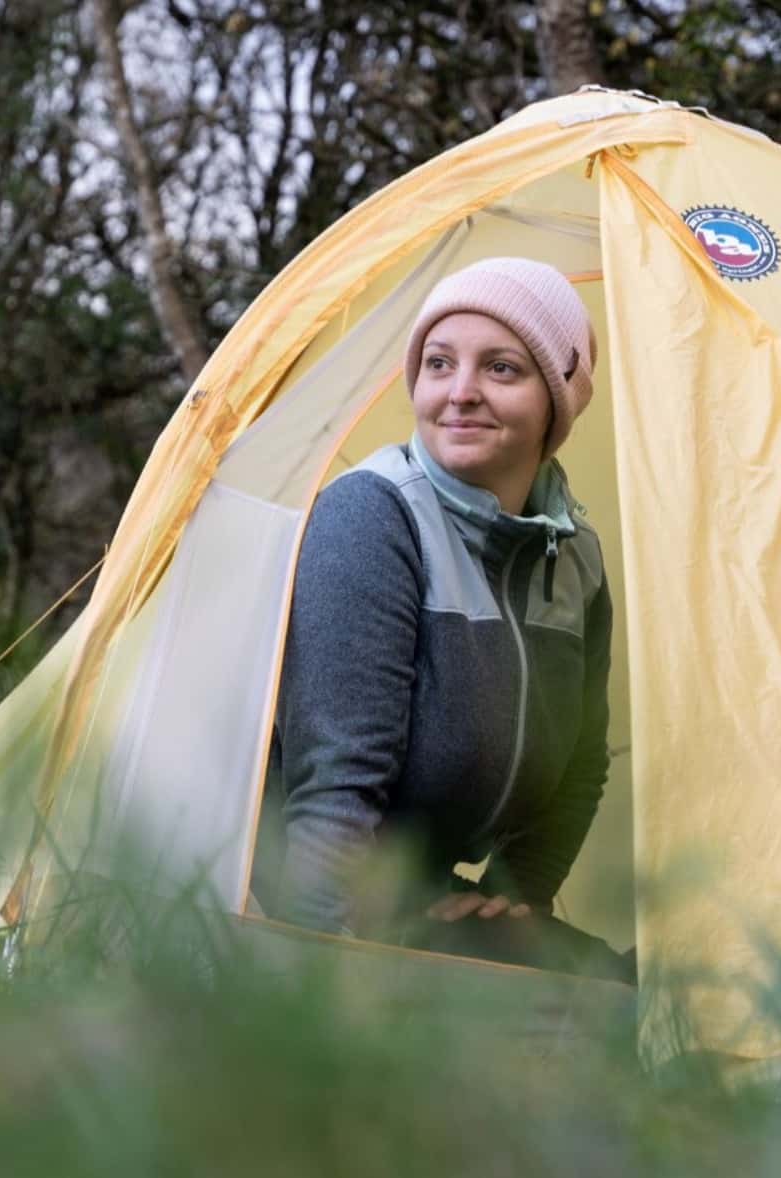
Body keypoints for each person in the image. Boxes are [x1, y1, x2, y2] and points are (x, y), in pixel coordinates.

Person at [254, 256, 629, 981]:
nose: (460, 393)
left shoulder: (574, 555)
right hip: (301, 898)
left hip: (425, 895)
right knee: (591, 1011)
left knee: (652, 997)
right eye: (438, 363)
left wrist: (515, 898)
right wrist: (314, 980)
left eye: (501, 368)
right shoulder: (371, 517)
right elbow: (335, 783)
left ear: (559, 396)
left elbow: (582, 766)